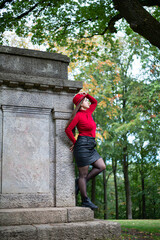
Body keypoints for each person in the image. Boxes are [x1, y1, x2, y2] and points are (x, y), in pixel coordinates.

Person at [65, 92, 106, 210]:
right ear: (81, 104)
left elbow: (95, 102)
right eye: (85, 100)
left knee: (101, 166)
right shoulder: (78, 115)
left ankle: (78, 182)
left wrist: (86, 94)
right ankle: (85, 200)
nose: (88, 102)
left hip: (91, 145)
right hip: (82, 145)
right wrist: (75, 142)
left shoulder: (89, 112)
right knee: (83, 174)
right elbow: (68, 129)